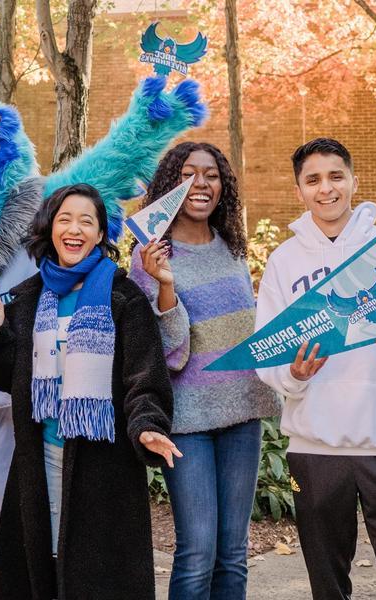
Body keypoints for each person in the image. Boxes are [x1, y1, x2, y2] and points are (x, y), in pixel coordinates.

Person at [255, 138, 376, 600]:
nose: (326, 189)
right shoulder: (285, 262)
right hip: (315, 448)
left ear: (353, 181)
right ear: (299, 190)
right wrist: (295, 376)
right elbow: (270, 354)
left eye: (335, 176)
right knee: (327, 584)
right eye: (313, 180)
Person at [0, 183, 180, 600]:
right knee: (40, 570)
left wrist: (147, 425)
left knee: (96, 578)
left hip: (103, 468)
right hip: (39, 458)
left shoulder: (124, 298)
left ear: (102, 234)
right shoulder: (29, 298)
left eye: (86, 221)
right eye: (65, 219)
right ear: (50, 228)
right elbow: (7, 376)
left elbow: (144, 377)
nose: (74, 229)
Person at [130, 142, 281, 600]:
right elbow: (167, 354)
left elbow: (248, 331)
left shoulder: (233, 246)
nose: (201, 183)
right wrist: (166, 286)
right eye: (189, 173)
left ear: (223, 185)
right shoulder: (149, 256)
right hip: (188, 421)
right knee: (197, 551)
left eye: (211, 174)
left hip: (243, 414)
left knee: (233, 553)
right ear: (170, 185)